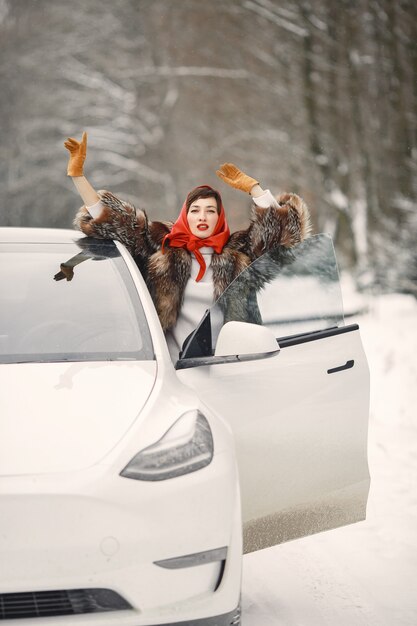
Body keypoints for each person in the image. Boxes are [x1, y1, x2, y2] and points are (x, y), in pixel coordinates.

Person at [64, 132, 311, 360]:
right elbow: (114, 223)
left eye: (210, 211)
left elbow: (282, 236)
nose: (202, 217)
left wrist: (255, 189)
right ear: (186, 215)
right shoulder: (161, 246)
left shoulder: (239, 253)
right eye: (195, 210)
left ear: (219, 217)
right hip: (172, 369)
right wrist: (78, 177)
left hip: (230, 367)